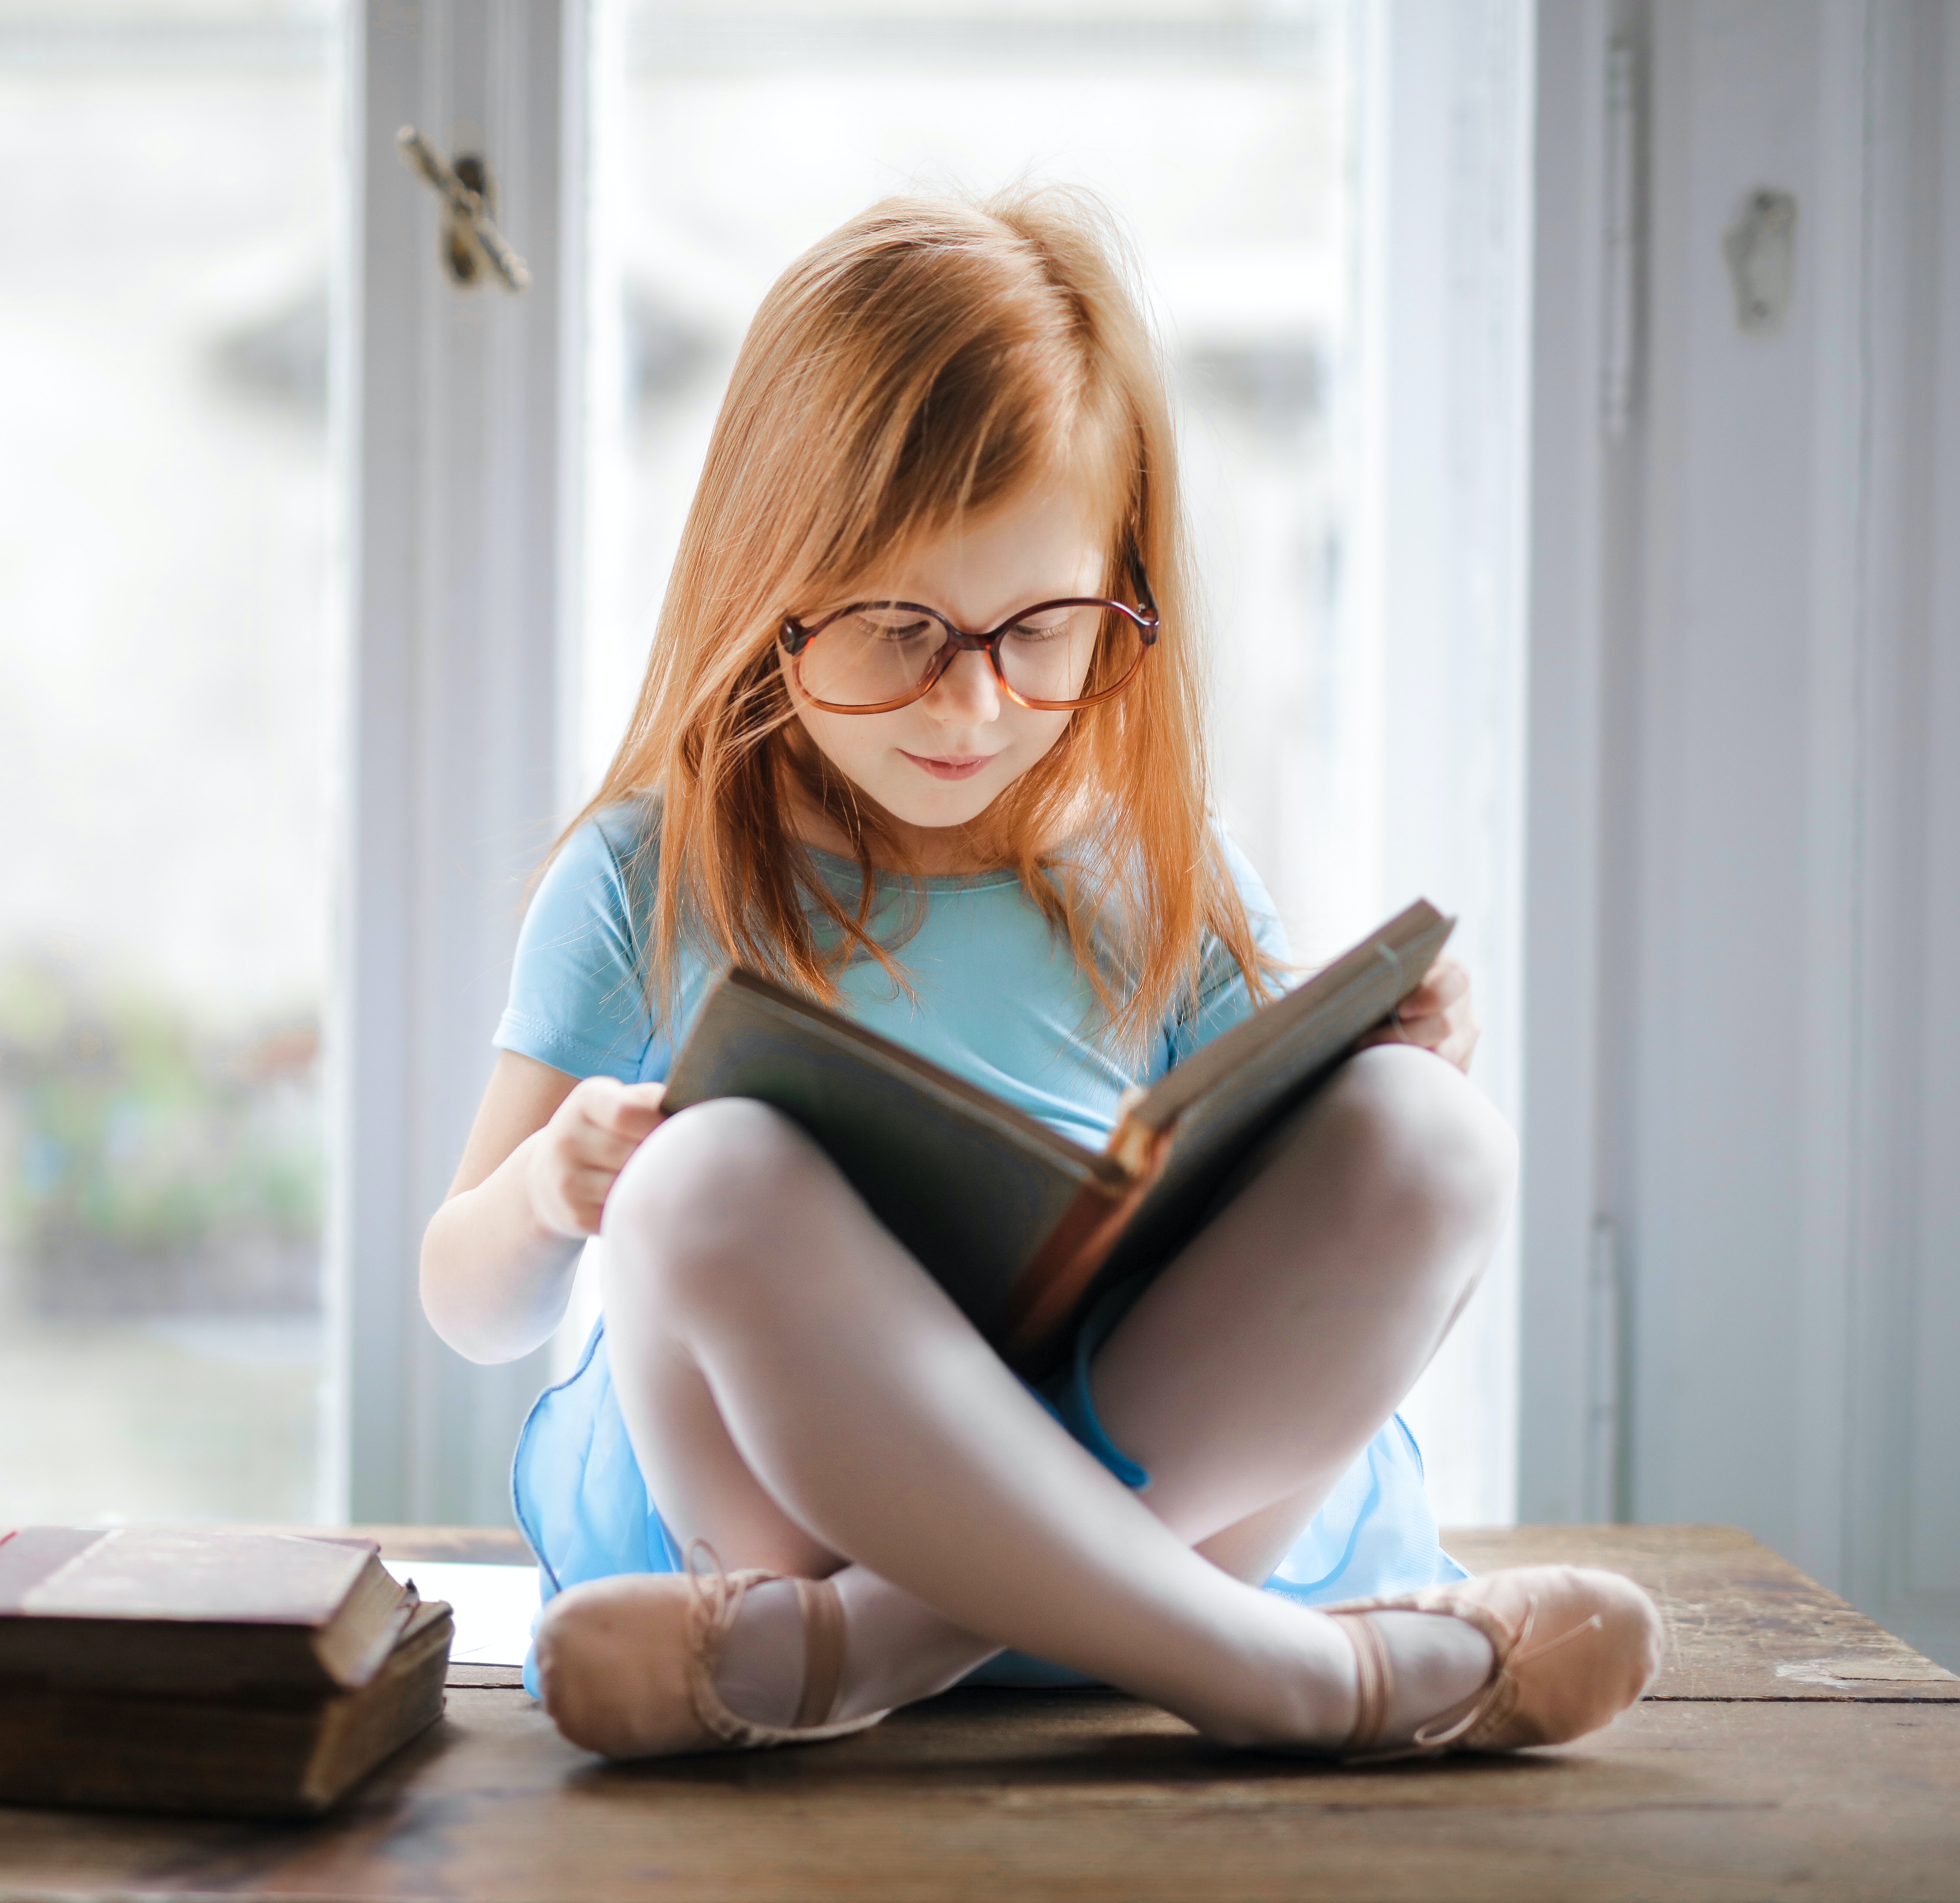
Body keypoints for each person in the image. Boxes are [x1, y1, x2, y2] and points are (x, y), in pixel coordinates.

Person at [419, 188, 1660, 1763]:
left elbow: (1306, 1189)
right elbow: (465, 1301)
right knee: (700, 1178)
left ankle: (880, 1647)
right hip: (781, 1520)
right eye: (894, 629)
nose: (975, 703)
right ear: (764, 582)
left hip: (1118, 1516)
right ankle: (1294, 1678)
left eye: (1044, 630)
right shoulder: (648, 872)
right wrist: (551, 1189)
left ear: (1119, 594)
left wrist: (1401, 1050)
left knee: (1433, 1133)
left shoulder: (1156, 865)